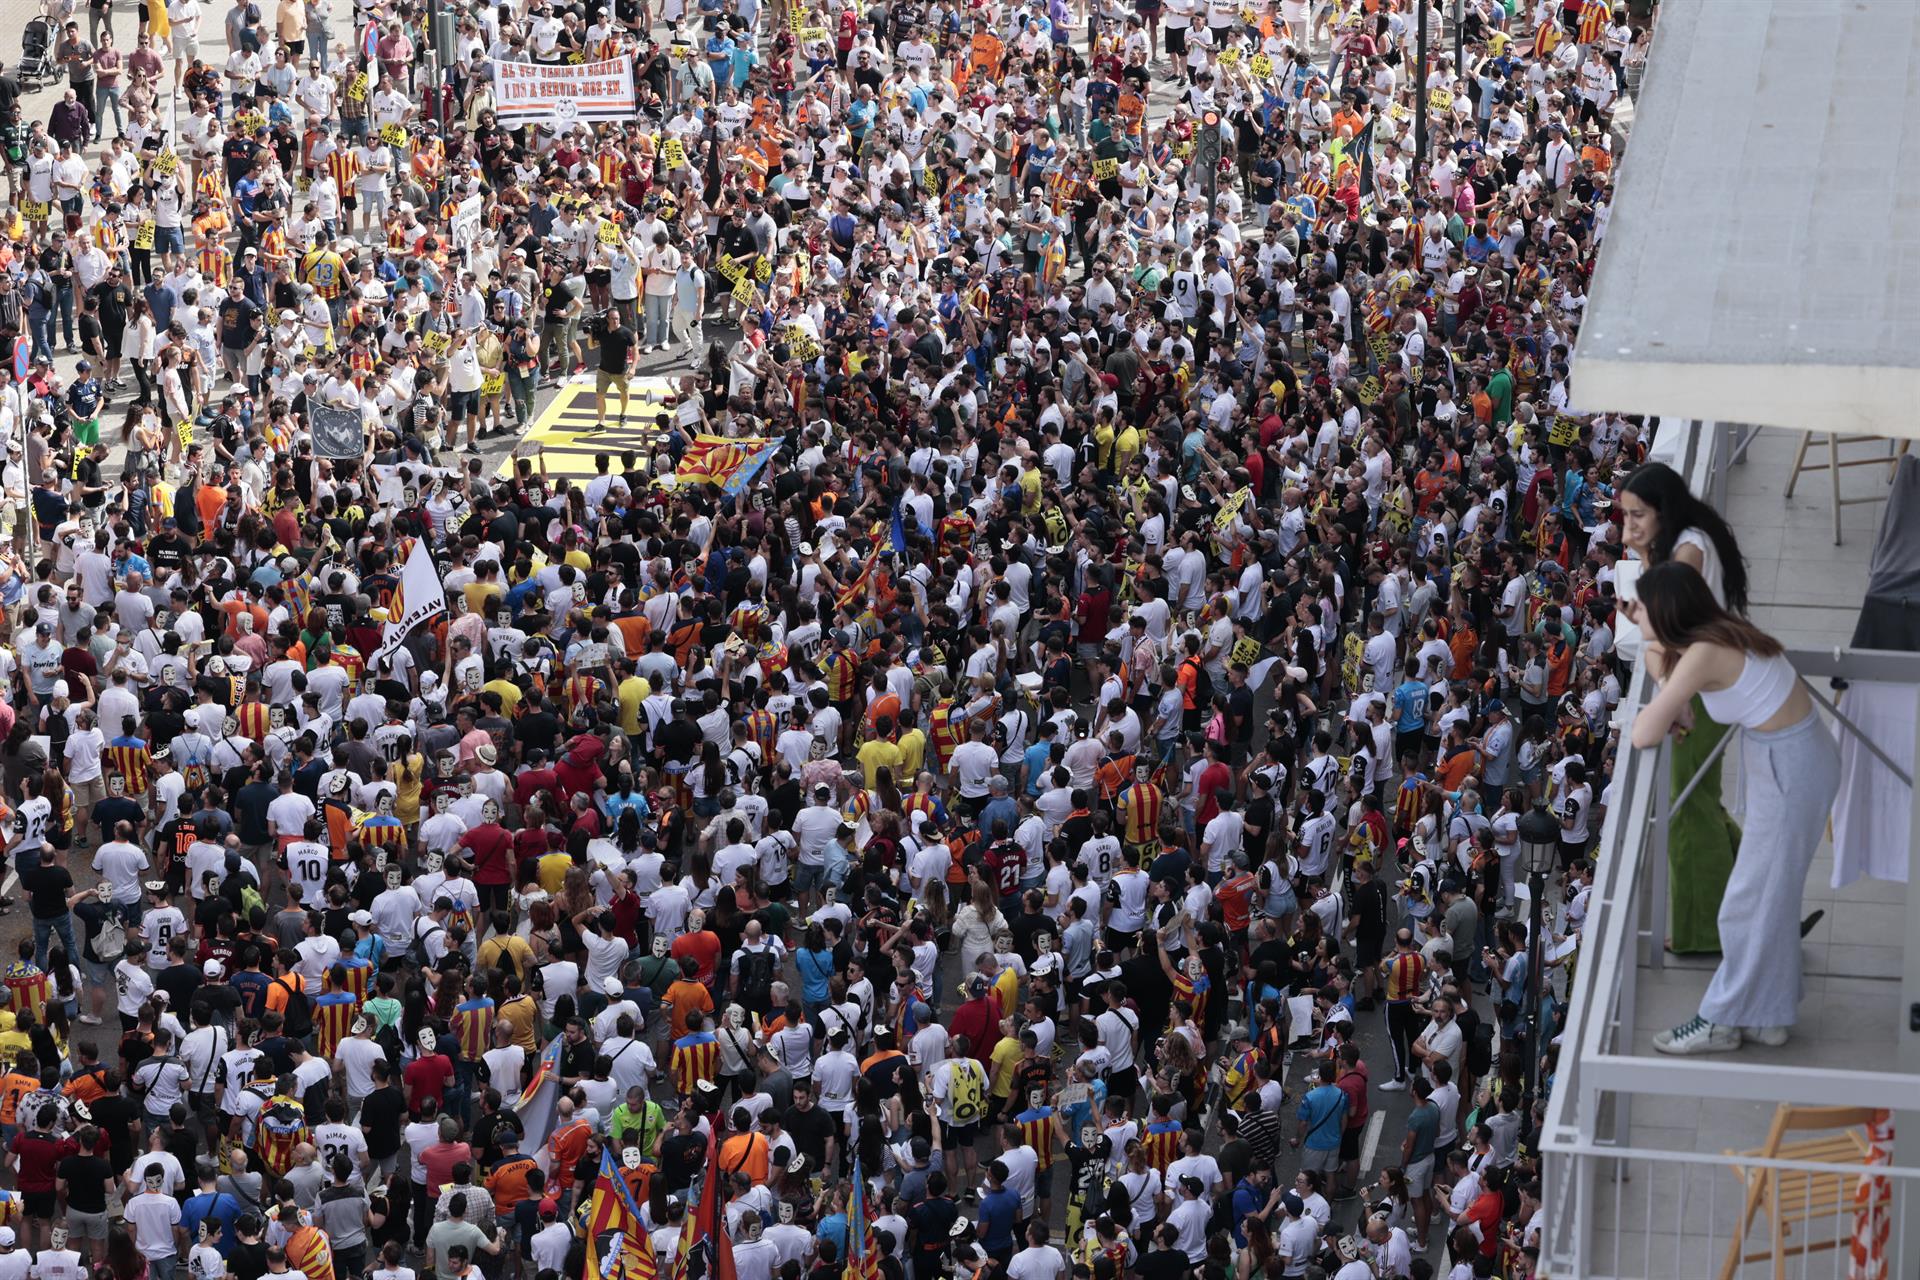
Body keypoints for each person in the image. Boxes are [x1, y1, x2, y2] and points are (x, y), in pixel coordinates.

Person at [1631, 563, 1839, 1054]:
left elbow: (1644, 732)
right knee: (1772, 896)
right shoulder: (1716, 631)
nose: (1634, 614)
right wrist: (1669, 682)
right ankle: (1769, 1016)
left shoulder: (1703, 652)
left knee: (1747, 902)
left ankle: (1720, 1020)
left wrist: (1660, 669)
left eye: (1641, 608)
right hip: (1791, 761)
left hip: (1791, 770)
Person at [1617, 461, 1750, 955]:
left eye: (1637, 515)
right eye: (1626, 516)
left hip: (1705, 688)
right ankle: (1747, 904)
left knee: (1687, 806)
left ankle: (1704, 934)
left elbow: (1664, 624)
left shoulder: (1689, 548)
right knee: (1699, 800)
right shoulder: (1683, 539)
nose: (1628, 526)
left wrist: (1670, 690)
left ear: (1662, 511)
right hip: (1705, 681)